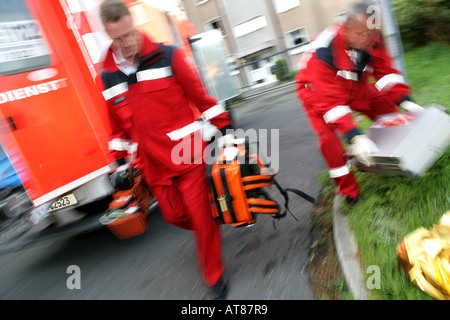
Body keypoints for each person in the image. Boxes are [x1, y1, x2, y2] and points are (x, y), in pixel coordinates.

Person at [98, 0, 232, 299]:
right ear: (109, 37)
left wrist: (225, 129)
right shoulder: (107, 75)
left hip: (186, 154)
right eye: (118, 39)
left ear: (133, 24)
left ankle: (214, 275)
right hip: (152, 164)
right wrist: (117, 162)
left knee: (199, 216)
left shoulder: (167, 56)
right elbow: (115, 128)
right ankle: (210, 227)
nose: (126, 43)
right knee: (173, 217)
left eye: (129, 34)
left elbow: (200, 95)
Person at [296, 0, 424, 206]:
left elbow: (385, 72)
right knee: (330, 143)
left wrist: (405, 101)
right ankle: (349, 191)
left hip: (354, 84)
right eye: (360, 34)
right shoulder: (323, 53)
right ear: (346, 28)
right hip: (316, 93)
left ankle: (400, 158)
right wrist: (355, 135)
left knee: (388, 112)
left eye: (370, 34)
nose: (367, 40)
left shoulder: (372, 35)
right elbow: (331, 104)